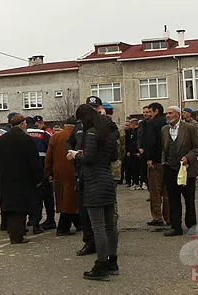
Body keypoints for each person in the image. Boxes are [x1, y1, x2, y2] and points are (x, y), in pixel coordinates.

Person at [69, 105, 119, 281]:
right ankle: (112, 262)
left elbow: (88, 159)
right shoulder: (109, 133)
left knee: (98, 227)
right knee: (110, 225)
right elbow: (113, 156)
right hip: (107, 180)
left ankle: (101, 266)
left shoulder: (91, 132)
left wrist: (75, 154)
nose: (80, 124)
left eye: (80, 120)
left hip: (93, 182)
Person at [0, 113, 42, 244]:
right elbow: (34, 161)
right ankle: (17, 235)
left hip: (5, 179)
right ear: (22, 124)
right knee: (20, 208)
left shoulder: (2, 140)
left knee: (9, 206)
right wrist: (38, 178)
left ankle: (12, 231)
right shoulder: (26, 140)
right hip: (22, 179)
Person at [161, 106, 198, 237]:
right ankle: (176, 227)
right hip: (170, 169)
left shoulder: (189, 128)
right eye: (167, 113)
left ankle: (191, 226)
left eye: (170, 113)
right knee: (173, 200)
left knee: (189, 199)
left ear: (178, 114)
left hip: (186, 170)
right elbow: (164, 148)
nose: (167, 115)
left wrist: (188, 158)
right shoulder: (164, 130)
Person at [67, 99, 95, 256]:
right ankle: (89, 241)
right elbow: (69, 142)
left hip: (94, 174)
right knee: (83, 211)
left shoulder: (99, 129)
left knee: (97, 213)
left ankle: (102, 244)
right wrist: (70, 151)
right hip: (80, 172)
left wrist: (81, 155)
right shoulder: (78, 128)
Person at [45, 117, 81, 236]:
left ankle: (79, 223)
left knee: (63, 197)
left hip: (59, 172)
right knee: (70, 199)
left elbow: (48, 157)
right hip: (73, 171)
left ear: (65, 125)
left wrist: (48, 172)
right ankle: (63, 227)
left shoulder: (55, 137)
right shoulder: (78, 136)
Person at [25, 116, 55, 232]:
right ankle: (50, 219)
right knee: (48, 197)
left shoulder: (23, 134)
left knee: (33, 197)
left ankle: (33, 220)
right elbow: (51, 151)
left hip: (29, 172)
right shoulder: (44, 134)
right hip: (44, 170)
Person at [144, 102, 169, 227]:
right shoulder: (167, 123)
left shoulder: (151, 124)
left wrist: (149, 158)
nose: (148, 114)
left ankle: (157, 217)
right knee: (166, 191)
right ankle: (168, 216)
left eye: (150, 111)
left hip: (155, 161)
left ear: (156, 111)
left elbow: (151, 142)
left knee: (155, 190)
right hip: (167, 161)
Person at [125, 118, 142, 189]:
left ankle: (139, 183)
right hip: (132, 153)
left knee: (138, 169)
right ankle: (135, 182)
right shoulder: (131, 131)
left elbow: (137, 142)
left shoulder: (138, 132)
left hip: (137, 153)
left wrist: (138, 152)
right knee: (133, 169)